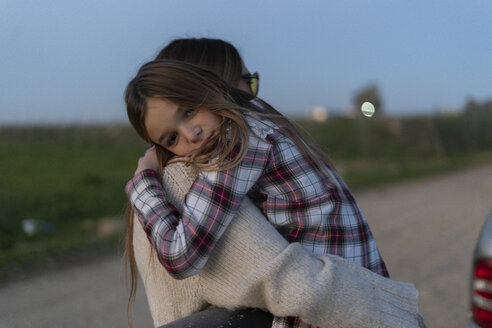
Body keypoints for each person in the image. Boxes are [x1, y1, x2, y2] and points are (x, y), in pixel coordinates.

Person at [125, 38, 424, 328]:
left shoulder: (236, 143)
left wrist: (143, 185)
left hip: (331, 313)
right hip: (355, 293)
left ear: (212, 85)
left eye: (189, 110)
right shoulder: (259, 129)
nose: (192, 134)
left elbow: (181, 256)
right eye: (172, 139)